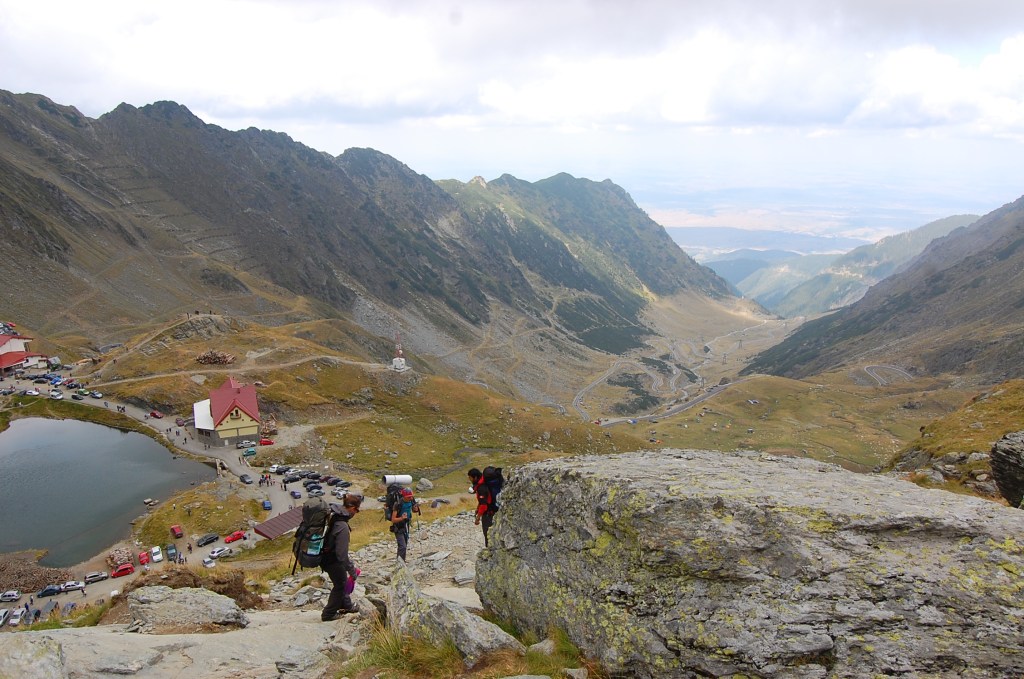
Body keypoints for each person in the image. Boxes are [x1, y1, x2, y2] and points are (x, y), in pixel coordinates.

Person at [320, 493, 362, 621]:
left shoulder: (335, 517)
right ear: (353, 508)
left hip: (326, 557)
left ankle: (346, 605)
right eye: (357, 510)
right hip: (332, 560)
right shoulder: (342, 526)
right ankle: (328, 614)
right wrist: (352, 570)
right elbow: (342, 555)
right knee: (340, 585)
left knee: (341, 581)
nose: (355, 513)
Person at [469, 468, 496, 547]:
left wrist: (478, 518)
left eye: (470, 477)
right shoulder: (484, 484)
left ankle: (489, 550)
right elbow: (483, 501)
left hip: (488, 514)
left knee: (487, 533)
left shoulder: (481, 487)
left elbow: (483, 505)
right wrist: (478, 508)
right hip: (492, 511)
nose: (470, 479)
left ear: (475, 477)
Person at [388, 488, 414, 561]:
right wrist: (402, 518)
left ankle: (401, 561)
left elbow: (413, 511)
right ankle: (400, 564)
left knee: (404, 544)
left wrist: (416, 508)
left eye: (411, 496)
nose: (411, 498)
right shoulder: (398, 504)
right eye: (409, 497)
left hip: (406, 525)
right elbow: (393, 519)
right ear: (404, 496)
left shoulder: (411, 501)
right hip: (398, 527)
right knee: (403, 546)